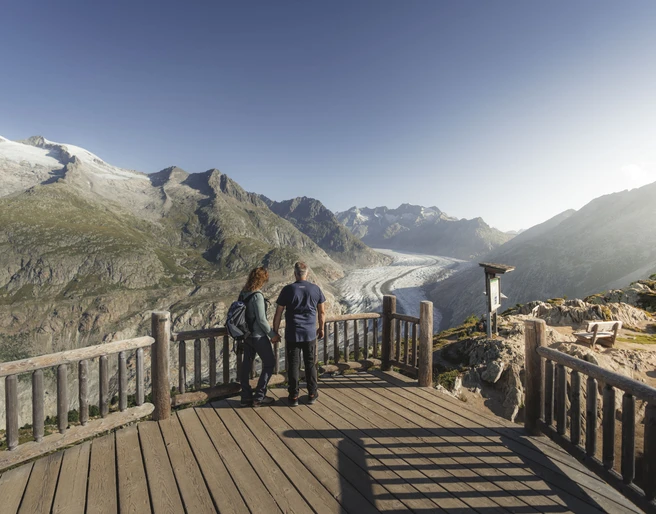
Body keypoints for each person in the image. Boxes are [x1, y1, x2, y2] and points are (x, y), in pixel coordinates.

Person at [273, 261, 325, 406]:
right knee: (310, 364)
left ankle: (293, 396)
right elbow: (322, 312)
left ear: (295, 273)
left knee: (293, 365)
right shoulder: (316, 289)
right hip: (309, 334)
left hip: (293, 333)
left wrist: (275, 332)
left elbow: (278, 313)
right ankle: (312, 393)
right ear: (307, 273)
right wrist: (321, 328)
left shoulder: (287, 290)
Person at [239, 267, 280, 407]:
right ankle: (259, 396)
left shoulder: (243, 293)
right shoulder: (257, 295)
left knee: (246, 366)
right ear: (262, 280)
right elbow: (262, 320)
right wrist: (272, 335)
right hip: (258, 336)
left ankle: (245, 396)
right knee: (269, 363)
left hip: (246, 336)